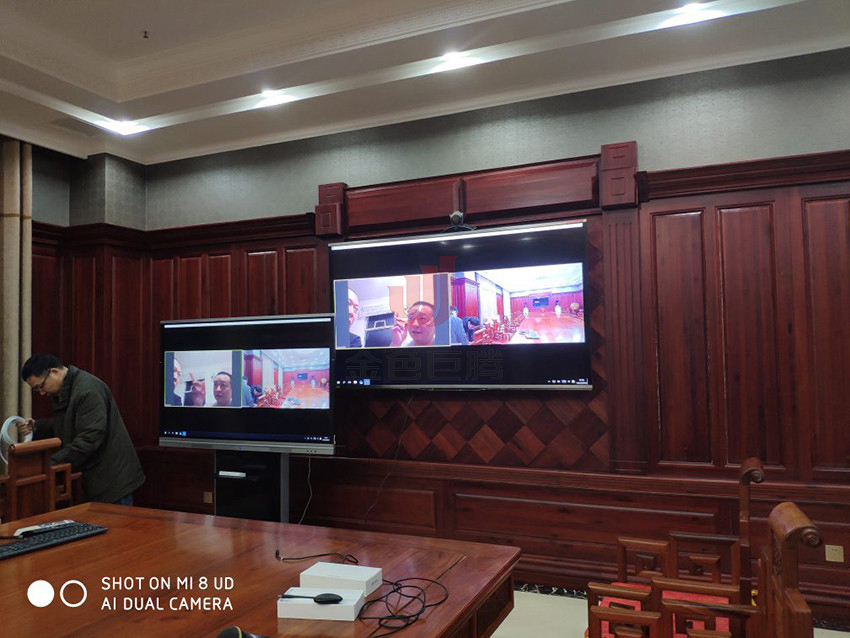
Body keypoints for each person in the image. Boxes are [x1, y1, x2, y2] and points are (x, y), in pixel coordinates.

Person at [19, 354, 145, 505]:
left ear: (54, 372)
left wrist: (49, 464)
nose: (42, 393)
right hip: (97, 476)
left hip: (112, 480)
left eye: (41, 386)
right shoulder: (67, 388)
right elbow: (69, 424)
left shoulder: (87, 390)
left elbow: (89, 439)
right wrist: (37, 426)